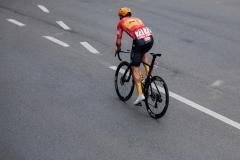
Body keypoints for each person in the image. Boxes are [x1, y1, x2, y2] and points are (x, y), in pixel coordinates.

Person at [115, 7, 154, 105]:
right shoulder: (137, 19)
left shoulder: (121, 23)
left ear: (121, 16)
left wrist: (117, 48)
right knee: (143, 53)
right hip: (150, 39)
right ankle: (148, 75)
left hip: (139, 42)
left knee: (135, 68)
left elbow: (118, 42)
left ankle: (140, 95)